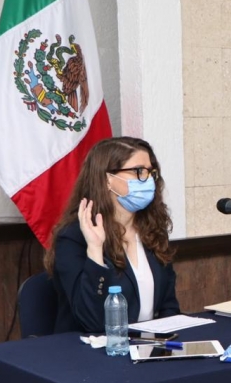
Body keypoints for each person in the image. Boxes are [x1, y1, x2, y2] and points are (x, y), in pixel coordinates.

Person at [44, 137, 179, 333]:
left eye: (151, 172)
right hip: (92, 347)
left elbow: (169, 307)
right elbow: (92, 321)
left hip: (149, 345)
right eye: (139, 171)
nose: (148, 179)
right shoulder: (73, 238)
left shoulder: (153, 230)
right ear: (108, 179)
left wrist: (166, 341)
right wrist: (95, 250)